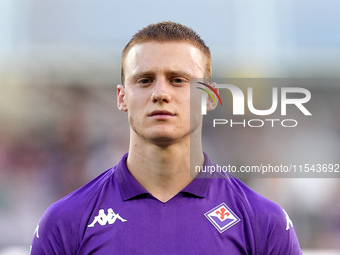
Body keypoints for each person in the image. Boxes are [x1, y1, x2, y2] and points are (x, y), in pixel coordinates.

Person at [30, 21, 302, 254]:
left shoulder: (263, 221)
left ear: (210, 98)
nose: (160, 93)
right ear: (122, 97)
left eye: (178, 80)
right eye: (145, 80)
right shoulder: (66, 221)